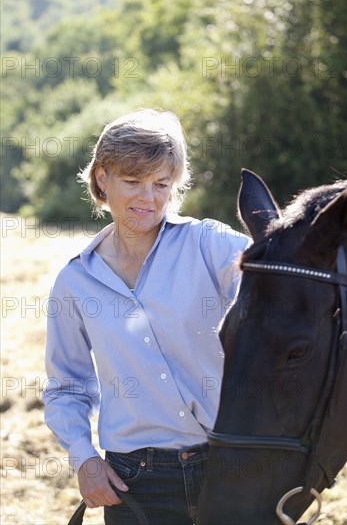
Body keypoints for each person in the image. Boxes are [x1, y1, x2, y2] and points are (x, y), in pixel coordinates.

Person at [42, 109, 251, 525]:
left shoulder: (210, 245)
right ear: (102, 178)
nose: (149, 199)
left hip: (231, 466)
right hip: (137, 482)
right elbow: (65, 386)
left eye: (161, 185)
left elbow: (282, 277)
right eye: (133, 182)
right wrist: (85, 460)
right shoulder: (75, 281)